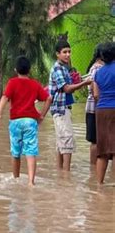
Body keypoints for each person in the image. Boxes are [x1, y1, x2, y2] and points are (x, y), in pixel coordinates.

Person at [0, 56, 52, 186]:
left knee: (16, 152)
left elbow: (4, 98)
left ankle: (16, 179)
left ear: (16, 70)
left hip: (15, 122)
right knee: (31, 152)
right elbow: (48, 98)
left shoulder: (12, 83)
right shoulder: (35, 84)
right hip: (30, 121)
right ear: (29, 70)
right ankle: (31, 182)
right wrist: (42, 115)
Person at [48, 39, 91, 171]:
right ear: (57, 54)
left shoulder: (64, 68)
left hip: (64, 109)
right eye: (64, 52)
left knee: (61, 142)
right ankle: (66, 174)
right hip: (60, 110)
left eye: (69, 52)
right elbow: (67, 88)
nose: (67, 55)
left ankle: (60, 171)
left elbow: (69, 85)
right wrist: (84, 83)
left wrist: (77, 81)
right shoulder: (58, 69)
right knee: (67, 140)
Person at [93, 42, 115, 184]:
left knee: (102, 151)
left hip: (101, 111)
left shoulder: (98, 73)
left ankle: (99, 185)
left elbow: (96, 95)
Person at [85, 44, 104, 165]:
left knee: (96, 141)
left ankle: (94, 170)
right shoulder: (97, 68)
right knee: (95, 141)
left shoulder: (97, 68)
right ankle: (93, 169)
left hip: (95, 108)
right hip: (95, 108)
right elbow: (94, 91)